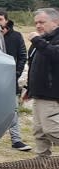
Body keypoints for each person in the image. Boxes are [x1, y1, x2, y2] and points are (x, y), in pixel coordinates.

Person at [0, 10, 32, 150]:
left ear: (6, 21)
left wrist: (16, 73)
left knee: (13, 109)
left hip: (10, 78)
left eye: (0, 19)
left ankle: (16, 140)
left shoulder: (17, 36)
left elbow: (22, 56)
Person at [24, 8, 59, 157]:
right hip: (38, 93)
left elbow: (56, 55)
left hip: (51, 93)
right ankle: (41, 166)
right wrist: (28, 88)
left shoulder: (44, 40)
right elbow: (33, 66)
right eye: (36, 23)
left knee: (51, 129)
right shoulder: (38, 41)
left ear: (56, 22)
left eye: (42, 22)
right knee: (39, 133)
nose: (38, 25)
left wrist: (37, 40)